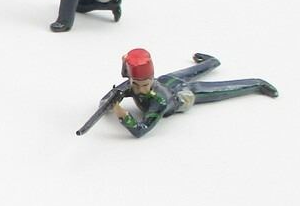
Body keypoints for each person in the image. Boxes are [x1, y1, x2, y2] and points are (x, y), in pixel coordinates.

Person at [112, 48, 278, 138]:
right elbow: (116, 90)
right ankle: (212, 62)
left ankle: (257, 83)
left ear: (150, 79)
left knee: (222, 88)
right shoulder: (132, 83)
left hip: (180, 95)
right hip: (165, 81)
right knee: (190, 71)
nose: (140, 90)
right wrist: (111, 99)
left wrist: (123, 115)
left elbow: (140, 130)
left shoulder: (159, 102)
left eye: (145, 85)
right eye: (135, 84)